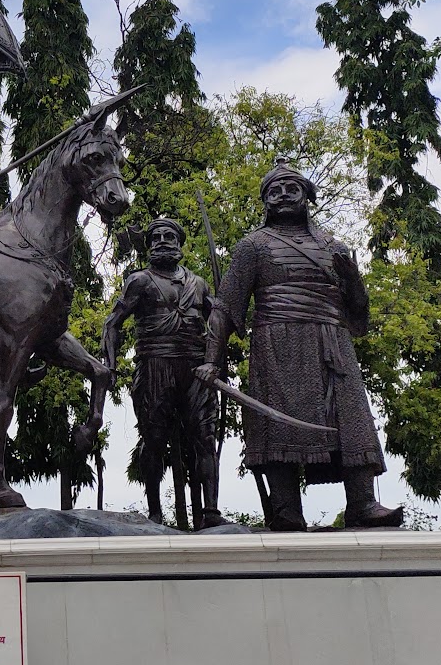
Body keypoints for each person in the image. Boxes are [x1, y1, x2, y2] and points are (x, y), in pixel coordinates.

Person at [197, 159, 403, 531]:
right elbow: (225, 307)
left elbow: (358, 317)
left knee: (351, 418)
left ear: (307, 195)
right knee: (278, 424)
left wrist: (354, 281)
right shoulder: (253, 246)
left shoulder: (334, 246)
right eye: (274, 191)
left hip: (332, 342)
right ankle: (286, 510)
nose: (283, 195)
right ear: (265, 201)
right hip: (278, 344)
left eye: (291, 188)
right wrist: (212, 359)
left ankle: (362, 503)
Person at [104, 217, 221, 528]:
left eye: (169, 236)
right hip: (154, 365)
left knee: (205, 437)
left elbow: (218, 325)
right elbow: (112, 324)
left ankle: (211, 511)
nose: (162, 242)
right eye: (156, 238)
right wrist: (110, 366)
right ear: (149, 246)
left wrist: (214, 359)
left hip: (196, 369)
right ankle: (155, 511)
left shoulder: (198, 284)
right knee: (154, 439)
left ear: (180, 243)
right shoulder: (139, 281)